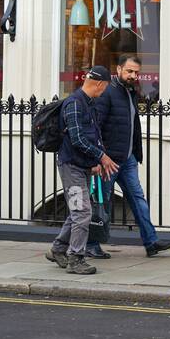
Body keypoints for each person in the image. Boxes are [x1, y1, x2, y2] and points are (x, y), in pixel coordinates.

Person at [84, 55, 170, 259]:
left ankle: (151, 242)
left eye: (136, 72)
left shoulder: (130, 92)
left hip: (127, 159)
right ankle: (91, 244)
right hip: (108, 160)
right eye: (129, 71)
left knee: (138, 199)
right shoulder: (107, 92)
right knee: (101, 202)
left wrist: (135, 152)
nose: (133, 75)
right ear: (118, 69)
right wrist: (99, 158)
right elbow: (95, 126)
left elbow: (132, 126)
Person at [46, 66, 118, 275]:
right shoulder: (75, 104)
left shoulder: (88, 104)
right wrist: (102, 157)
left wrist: (94, 162)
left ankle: (58, 249)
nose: (103, 92)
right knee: (82, 212)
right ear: (99, 84)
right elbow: (77, 139)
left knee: (77, 212)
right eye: (104, 88)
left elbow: (92, 136)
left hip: (82, 166)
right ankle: (75, 258)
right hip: (71, 167)